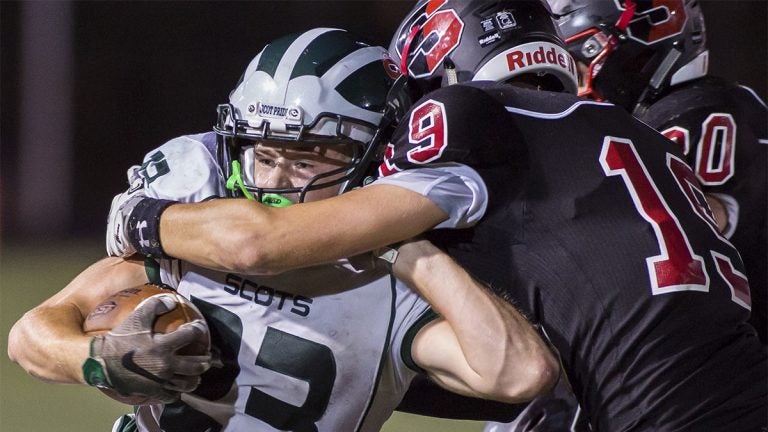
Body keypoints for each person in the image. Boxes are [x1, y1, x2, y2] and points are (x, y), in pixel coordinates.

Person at [104, 1, 767, 430]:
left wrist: (143, 217)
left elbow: (262, 245)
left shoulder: (465, 117)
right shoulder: (612, 131)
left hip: (649, 406)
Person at [8, 28, 560, 432]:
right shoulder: (198, 220)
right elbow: (30, 336)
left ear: (376, 156)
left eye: (309, 158)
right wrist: (97, 358)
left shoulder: (396, 286)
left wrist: (408, 246)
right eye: (264, 153)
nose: (275, 181)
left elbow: (518, 374)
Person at [548, 0, 768, 343]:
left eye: (578, 66)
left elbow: (667, 231)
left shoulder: (698, 112)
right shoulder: (677, 112)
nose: (571, 86)